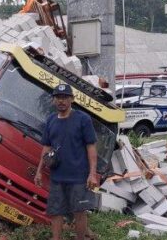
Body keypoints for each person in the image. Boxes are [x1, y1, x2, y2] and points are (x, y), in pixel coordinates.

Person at [34, 84, 99, 240]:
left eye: (64, 97)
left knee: (79, 212)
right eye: (58, 97)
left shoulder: (83, 119)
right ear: (53, 100)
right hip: (57, 177)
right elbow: (46, 148)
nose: (61, 101)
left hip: (79, 177)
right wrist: (39, 171)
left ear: (72, 99)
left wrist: (92, 174)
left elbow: (91, 147)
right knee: (55, 212)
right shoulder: (50, 120)